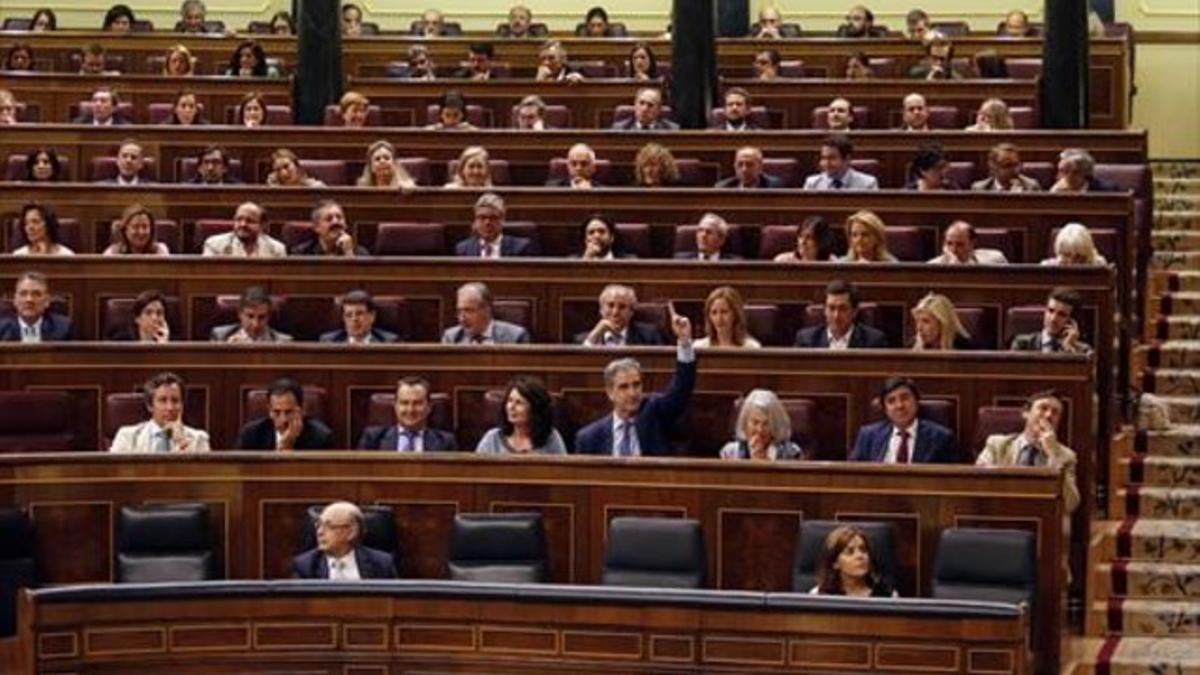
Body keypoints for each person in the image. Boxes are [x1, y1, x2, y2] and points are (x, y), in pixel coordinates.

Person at [574, 309, 696, 456]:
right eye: (624, 387)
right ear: (610, 392)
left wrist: (684, 343)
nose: (632, 393)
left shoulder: (655, 412)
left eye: (636, 384)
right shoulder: (589, 438)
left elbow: (682, 387)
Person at [976, 391, 1080, 513]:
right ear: (1026, 413)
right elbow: (978, 485)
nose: (1048, 415)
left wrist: (1052, 454)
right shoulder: (997, 445)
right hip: (999, 514)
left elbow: (1071, 504)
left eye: (1055, 412)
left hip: (1043, 519)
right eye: (1043, 408)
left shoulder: (1066, 456)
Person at [851, 377, 958, 463]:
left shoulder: (941, 438)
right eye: (891, 401)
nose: (899, 406)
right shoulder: (868, 436)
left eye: (905, 398)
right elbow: (853, 475)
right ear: (885, 409)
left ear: (916, 401)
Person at [292, 501, 397, 579]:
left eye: (329, 526)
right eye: (318, 525)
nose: (320, 532)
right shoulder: (306, 566)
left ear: (352, 532)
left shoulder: (381, 564)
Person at [110, 372, 211, 453]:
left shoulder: (199, 439)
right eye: (163, 400)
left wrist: (181, 442)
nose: (170, 408)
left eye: (175, 400)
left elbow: (198, 476)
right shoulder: (127, 437)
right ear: (150, 406)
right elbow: (116, 474)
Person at [357, 377, 456, 451]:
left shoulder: (445, 442)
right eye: (404, 403)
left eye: (417, 403)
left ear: (428, 407)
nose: (410, 410)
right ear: (395, 406)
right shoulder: (373, 440)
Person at [236, 378, 336, 451]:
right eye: (276, 412)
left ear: (302, 410)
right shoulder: (250, 435)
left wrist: (288, 448)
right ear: (269, 411)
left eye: (289, 412)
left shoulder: (321, 438)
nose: (283, 419)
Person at [477, 376, 566, 455]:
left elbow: (564, 471)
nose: (511, 407)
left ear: (535, 408)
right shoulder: (492, 439)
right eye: (510, 400)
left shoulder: (552, 438)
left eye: (519, 403)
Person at [794, 280, 888, 349]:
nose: (836, 315)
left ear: (854, 312)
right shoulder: (806, 340)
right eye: (831, 308)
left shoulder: (873, 341)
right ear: (824, 311)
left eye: (842, 309)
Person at [810, 525, 895, 596]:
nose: (860, 556)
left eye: (863, 550)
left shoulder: (887, 595)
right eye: (850, 552)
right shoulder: (819, 595)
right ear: (835, 563)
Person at [720, 389, 802, 460]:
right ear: (745, 423)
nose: (760, 430)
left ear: (775, 425)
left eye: (766, 424)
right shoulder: (730, 453)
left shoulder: (791, 453)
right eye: (755, 423)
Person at [442, 282, 530, 344]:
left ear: (486, 310)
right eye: (459, 311)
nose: (462, 318)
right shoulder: (451, 337)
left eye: (469, 311)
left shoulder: (516, 337)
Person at [1010, 287, 1092, 354]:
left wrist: (1068, 347)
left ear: (1071, 321)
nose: (1053, 319)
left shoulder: (1083, 351)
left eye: (1061, 315)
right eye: (1050, 311)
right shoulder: (1022, 344)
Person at [578, 284, 666, 346]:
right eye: (610, 305)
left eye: (622, 307)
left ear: (631, 312)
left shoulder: (649, 336)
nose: (615, 312)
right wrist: (595, 336)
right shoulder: (583, 339)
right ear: (601, 309)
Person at [454, 193, 536, 258]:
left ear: (502, 220)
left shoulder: (520, 248)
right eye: (482, 217)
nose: (487, 222)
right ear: (475, 220)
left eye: (493, 218)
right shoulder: (463, 249)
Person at [0, 271, 74, 342]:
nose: (29, 299)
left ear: (46, 301)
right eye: (23, 294)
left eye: (36, 294)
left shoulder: (63, 328)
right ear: (15, 300)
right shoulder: (2, 329)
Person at [202, 202, 287, 258]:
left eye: (250, 221)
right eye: (238, 219)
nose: (243, 224)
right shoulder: (214, 245)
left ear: (262, 225)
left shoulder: (277, 250)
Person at [210, 285, 292, 342]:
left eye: (262, 317)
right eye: (250, 316)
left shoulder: (283, 342)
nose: (255, 324)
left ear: (269, 316)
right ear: (240, 314)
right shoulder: (220, 337)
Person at [292, 200, 368, 257]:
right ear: (316, 227)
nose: (335, 222)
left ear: (345, 224)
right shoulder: (302, 254)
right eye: (329, 219)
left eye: (339, 217)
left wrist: (348, 253)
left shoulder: (360, 253)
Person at [319, 290, 398, 344]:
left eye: (359, 314)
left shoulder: (388, 342)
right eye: (348, 315)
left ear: (372, 316)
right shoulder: (329, 342)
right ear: (343, 318)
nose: (354, 319)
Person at [802, 136, 879, 190]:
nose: (826, 163)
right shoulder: (812, 184)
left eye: (832, 158)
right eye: (823, 158)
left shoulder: (868, 184)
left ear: (847, 159)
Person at [695, 286, 761, 349]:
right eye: (714, 312)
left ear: (735, 314)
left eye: (724, 312)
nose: (719, 318)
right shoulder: (699, 347)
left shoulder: (751, 347)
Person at [928, 220, 1008, 264]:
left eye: (960, 244)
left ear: (972, 243)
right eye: (949, 243)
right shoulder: (933, 266)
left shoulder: (996, 259)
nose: (953, 250)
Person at [971, 143, 1042, 192]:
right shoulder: (980, 189)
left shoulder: (1031, 187)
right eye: (1008, 165)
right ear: (993, 166)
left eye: (1017, 165)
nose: (1015, 170)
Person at [103, 204, 170, 255]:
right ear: (125, 230)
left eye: (145, 227)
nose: (141, 232)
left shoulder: (161, 252)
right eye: (135, 227)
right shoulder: (111, 254)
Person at [1051, 149, 1120, 193]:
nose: (1058, 176)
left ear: (1083, 173)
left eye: (1064, 171)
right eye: (1060, 170)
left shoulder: (1108, 191)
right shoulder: (1057, 190)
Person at [612, 88, 678, 131]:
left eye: (650, 105)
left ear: (658, 110)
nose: (644, 109)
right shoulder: (620, 129)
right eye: (641, 103)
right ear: (635, 105)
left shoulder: (671, 130)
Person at [715, 146, 782, 189]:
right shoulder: (723, 187)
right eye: (740, 164)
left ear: (760, 167)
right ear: (734, 166)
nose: (744, 169)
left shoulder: (774, 187)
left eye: (749, 164)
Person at [1042, 223, 1108, 266]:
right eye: (1067, 255)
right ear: (1059, 253)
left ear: (1088, 255)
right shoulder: (1048, 268)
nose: (1071, 263)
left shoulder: (1100, 267)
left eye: (1078, 257)